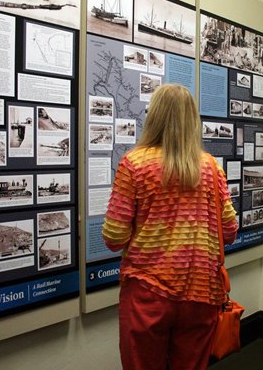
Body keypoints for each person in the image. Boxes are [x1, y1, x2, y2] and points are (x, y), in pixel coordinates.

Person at [102, 84, 238, 370]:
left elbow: (114, 237)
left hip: (147, 292)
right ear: (193, 120)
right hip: (202, 293)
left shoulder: (135, 164)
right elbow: (229, 231)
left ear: (154, 116)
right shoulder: (211, 167)